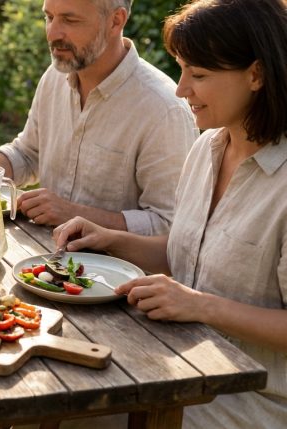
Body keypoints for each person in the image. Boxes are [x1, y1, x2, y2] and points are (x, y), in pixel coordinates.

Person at [52, 0, 287, 426]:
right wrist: (111, 239)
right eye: (181, 71)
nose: (181, 90)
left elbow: (199, 297)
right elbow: (190, 255)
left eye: (198, 75)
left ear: (256, 74)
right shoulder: (208, 148)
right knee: (53, 389)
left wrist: (200, 306)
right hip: (179, 364)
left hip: (248, 399)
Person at [0, 0, 197, 235]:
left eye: (69, 19)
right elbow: (27, 155)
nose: (52, 33)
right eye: (49, 17)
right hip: (42, 261)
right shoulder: (55, 77)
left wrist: (74, 214)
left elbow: (169, 226)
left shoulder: (163, 110)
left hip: (119, 287)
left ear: (116, 21)